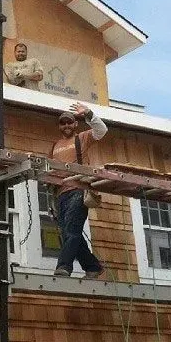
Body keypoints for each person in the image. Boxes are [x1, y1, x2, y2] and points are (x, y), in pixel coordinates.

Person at [50, 102, 107, 278]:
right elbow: (50, 173)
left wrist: (88, 113)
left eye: (70, 122)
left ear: (75, 124)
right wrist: (52, 200)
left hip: (78, 189)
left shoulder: (82, 138)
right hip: (60, 194)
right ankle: (92, 267)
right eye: (63, 123)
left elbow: (102, 130)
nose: (66, 125)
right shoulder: (55, 145)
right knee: (69, 232)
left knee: (72, 231)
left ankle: (64, 267)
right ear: (60, 126)